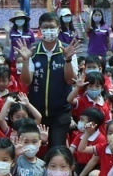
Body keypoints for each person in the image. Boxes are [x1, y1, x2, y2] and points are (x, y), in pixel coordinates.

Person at [16, 12, 77, 152]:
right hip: (36, 112)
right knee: (35, 151)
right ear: (39, 30)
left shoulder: (68, 50)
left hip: (61, 112)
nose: (49, 30)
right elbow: (26, 81)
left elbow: (69, 80)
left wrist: (67, 59)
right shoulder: (33, 51)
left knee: (56, 149)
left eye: (52, 27)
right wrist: (25, 61)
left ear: (59, 29)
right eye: (45, 27)